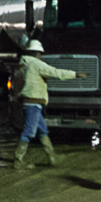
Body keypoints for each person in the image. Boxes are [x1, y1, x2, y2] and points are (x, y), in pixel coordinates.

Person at [11, 38, 84, 168]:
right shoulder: (36, 64)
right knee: (29, 131)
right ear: (37, 53)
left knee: (42, 130)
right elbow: (55, 72)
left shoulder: (22, 65)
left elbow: (16, 86)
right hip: (34, 102)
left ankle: (52, 157)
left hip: (27, 102)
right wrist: (75, 74)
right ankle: (18, 160)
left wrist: (17, 100)